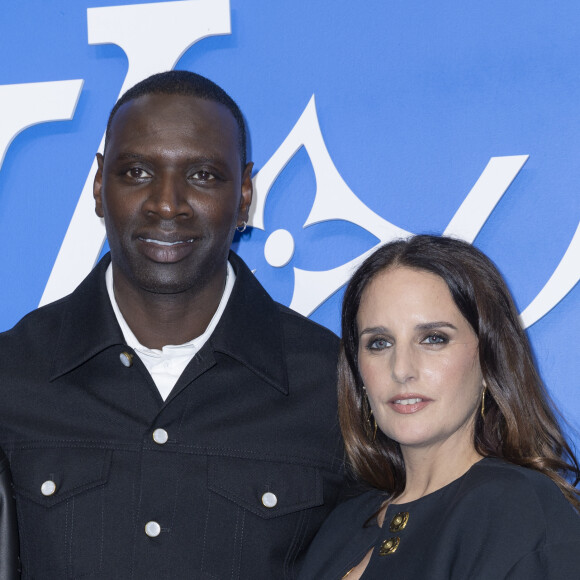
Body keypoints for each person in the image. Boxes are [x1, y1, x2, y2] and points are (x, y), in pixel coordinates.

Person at [0, 71, 345, 579]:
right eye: (137, 172)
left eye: (203, 175)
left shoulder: (336, 388)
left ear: (245, 194)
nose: (167, 203)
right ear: (99, 186)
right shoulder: (11, 377)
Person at [299, 234, 580, 579]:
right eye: (379, 343)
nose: (401, 369)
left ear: (490, 362)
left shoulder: (519, 509)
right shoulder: (340, 525)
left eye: (434, 339)